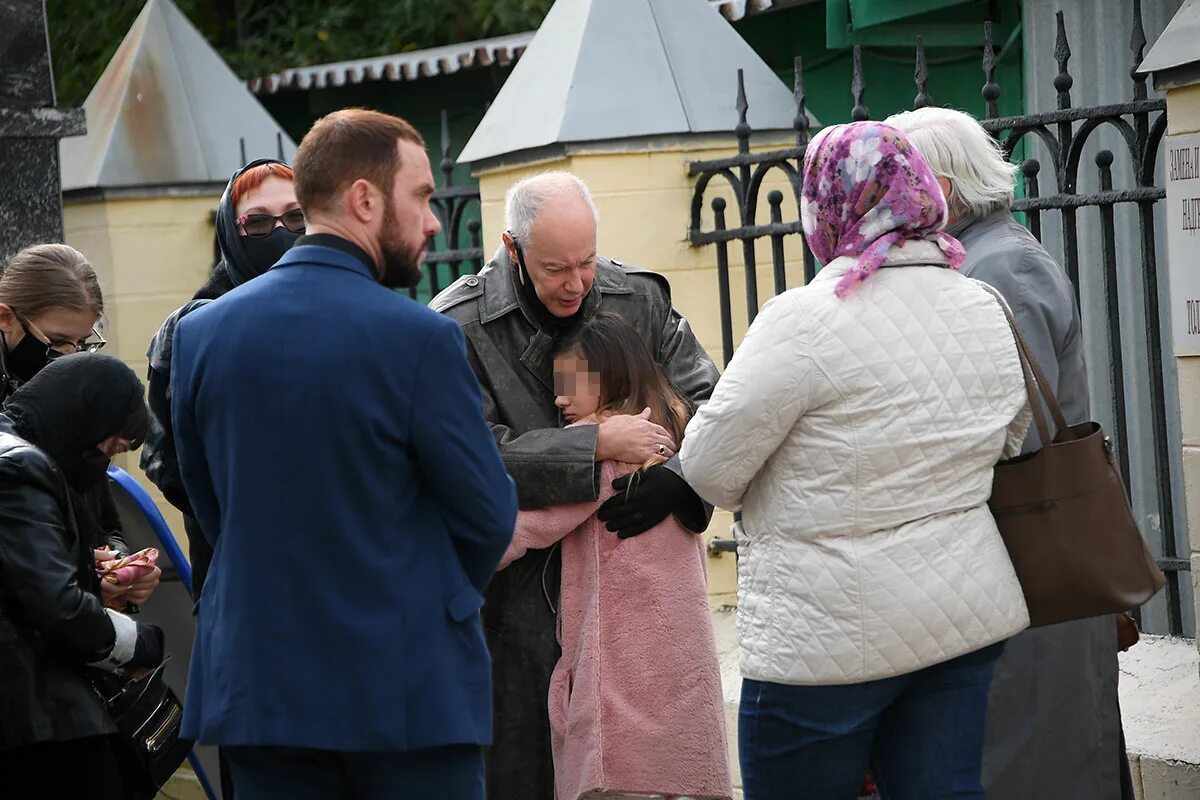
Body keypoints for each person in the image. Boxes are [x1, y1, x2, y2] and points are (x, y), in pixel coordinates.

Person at [680, 121, 1032, 800]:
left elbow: (710, 470)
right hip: (958, 616)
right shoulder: (983, 303)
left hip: (825, 643)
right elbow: (1008, 434)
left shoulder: (803, 320)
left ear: (826, 202)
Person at [172, 108, 517, 800]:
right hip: (404, 696)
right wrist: (427, 599)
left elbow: (210, 504)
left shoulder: (201, 336)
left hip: (259, 692)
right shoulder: (420, 340)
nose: (432, 222)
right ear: (364, 199)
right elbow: (488, 517)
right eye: (421, 196)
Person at [430, 170, 720, 800]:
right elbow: (464, 457)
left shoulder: (636, 298)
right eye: (556, 267)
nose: (577, 283)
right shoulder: (457, 326)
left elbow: (711, 404)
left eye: (587, 261)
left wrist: (677, 477)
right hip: (513, 618)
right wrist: (593, 445)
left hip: (635, 617)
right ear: (512, 249)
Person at [886, 105, 1127, 800]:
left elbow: (1017, 427)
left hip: (1032, 554)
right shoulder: (981, 256)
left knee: (1040, 758)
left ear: (945, 188)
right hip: (1014, 561)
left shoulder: (1002, 267)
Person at [499, 312, 731, 800]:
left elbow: (533, 526)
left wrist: (451, 554)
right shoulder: (671, 441)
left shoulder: (606, 454)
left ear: (608, 378)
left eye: (570, 383)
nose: (559, 398)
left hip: (621, 672)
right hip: (679, 663)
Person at [0, 354, 164, 800]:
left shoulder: (30, 453)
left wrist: (100, 569)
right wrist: (140, 642)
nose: (101, 464)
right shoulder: (21, 466)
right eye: (105, 450)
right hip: (40, 720)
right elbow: (57, 606)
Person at [141, 157, 303, 603]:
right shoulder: (190, 332)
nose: (281, 232)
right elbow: (163, 455)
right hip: (236, 567)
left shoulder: (350, 310)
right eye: (259, 222)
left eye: (296, 217)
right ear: (233, 231)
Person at [0, 243, 160, 612]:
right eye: (56, 342)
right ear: (5, 317)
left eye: (83, 343)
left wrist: (116, 565)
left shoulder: (77, 403)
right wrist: (81, 574)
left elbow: (103, 521)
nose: (69, 356)